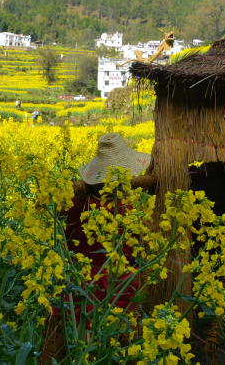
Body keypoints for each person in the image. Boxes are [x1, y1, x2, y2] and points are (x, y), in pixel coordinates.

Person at [41, 133, 154, 363]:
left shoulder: (73, 204)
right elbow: (142, 255)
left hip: (75, 296)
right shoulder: (130, 211)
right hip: (118, 298)